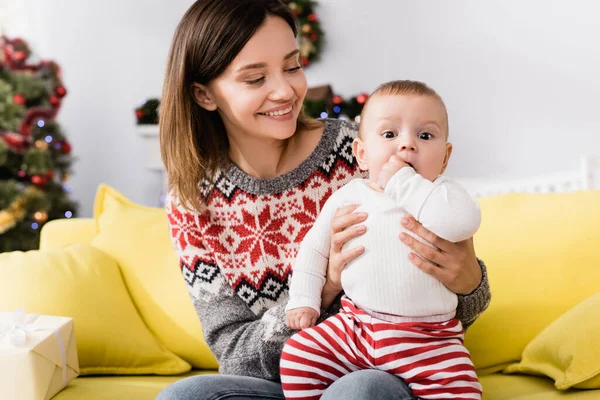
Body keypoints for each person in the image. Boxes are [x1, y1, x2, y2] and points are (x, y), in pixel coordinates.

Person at [156, 1, 491, 399]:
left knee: (358, 389)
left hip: (378, 371)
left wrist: (470, 282)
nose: (285, 90)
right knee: (184, 397)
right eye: (255, 78)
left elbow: (437, 301)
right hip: (289, 380)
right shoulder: (191, 201)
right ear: (203, 94)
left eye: (292, 66)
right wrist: (323, 288)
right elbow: (233, 354)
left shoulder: (361, 150)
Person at [281, 80, 482, 400]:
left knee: (461, 390)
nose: (407, 145)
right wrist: (304, 299)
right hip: (355, 326)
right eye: (390, 134)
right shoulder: (349, 196)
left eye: (425, 135)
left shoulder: (442, 194)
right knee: (298, 355)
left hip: (430, 341)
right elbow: (313, 249)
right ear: (361, 154)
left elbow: (462, 224)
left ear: (445, 157)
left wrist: (404, 184)